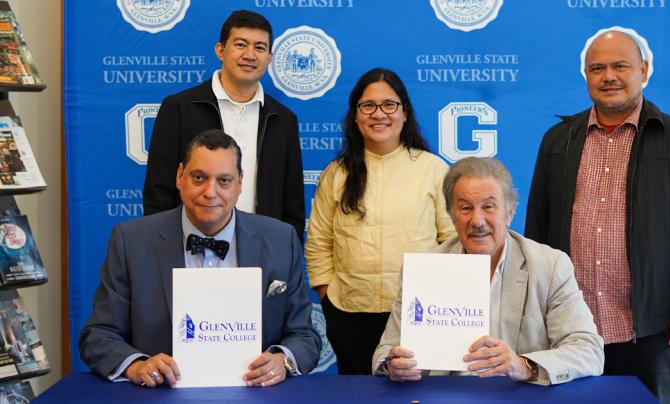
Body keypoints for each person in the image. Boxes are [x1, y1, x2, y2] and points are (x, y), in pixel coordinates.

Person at [524, 29, 670, 403]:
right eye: (597, 68)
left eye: (620, 66)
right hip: (570, 329)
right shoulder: (558, 141)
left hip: (651, 329)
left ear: (643, 71)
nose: (608, 76)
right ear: (586, 75)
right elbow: (537, 230)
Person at [80, 130, 320, 388]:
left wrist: (282, 360)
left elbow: (304, 335)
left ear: (240, 183)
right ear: (180, 177)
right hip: (159, 396)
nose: (210, 192)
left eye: (224, 181)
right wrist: (137, 365)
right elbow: (99, 335)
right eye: (199, 178)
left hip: (257, 395)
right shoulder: (131, 241)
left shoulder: (281, 240)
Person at [372, 157, 603, 384]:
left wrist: (524, 366)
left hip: (516, 397)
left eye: (489, 206)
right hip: (442, 395)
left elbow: (588, 349)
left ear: (510, 212)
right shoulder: (425, 268)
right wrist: (392, 364)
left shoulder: (549, 266)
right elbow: (385, 351)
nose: (477, 220)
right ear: (452, 215)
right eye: (465, 208)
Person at [305, 68, 455, 374]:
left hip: (417, 312)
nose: (379, 114)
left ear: (404, 113)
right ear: (356, 115)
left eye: (389, 104)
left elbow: (452, 241)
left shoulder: (433, 169)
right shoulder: (337, 173)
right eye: (368, 105)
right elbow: (319, 242)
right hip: (349, 312)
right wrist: (328, 299)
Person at [142, 10, 305, 240]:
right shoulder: (179, 108)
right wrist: (166, 249)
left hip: (260, 249)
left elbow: (293, 203)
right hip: (189, 247)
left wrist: (285, 252)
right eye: (240, 44)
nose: (250, 55)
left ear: (269, 58)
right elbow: (158, 192)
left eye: (259, 48)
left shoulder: (283, 119)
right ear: (221, 50)